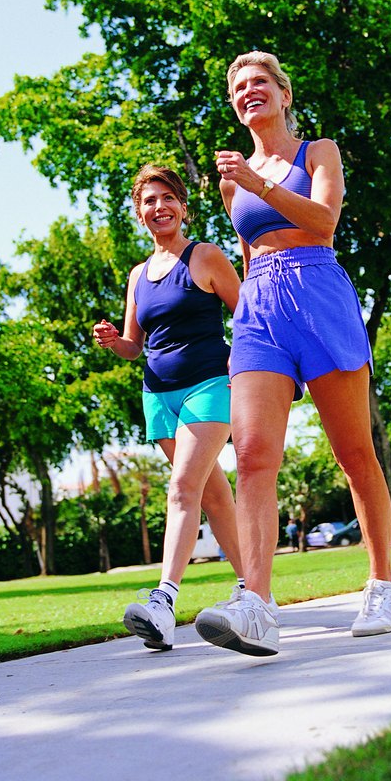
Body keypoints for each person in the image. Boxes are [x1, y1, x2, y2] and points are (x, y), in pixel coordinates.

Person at [194, 52, 391, 657]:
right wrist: (242, 316)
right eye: (238, 87)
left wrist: (260, 183)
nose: (248, 91)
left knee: (353, 451)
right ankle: (256, 604)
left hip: (318, 293)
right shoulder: (231, 180)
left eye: (260, 82)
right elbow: (251, 252)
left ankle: (382, 582)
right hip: (260, 310)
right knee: (255, 455)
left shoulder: (319, 152)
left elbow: (324, 222)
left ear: (284, 95)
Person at [93, 164, 246, 652]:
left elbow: (246, 314)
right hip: (157, 394)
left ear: (183, 205)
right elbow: (135, 346)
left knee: (182, 487)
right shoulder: (138, 275)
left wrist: (257, 374)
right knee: (212, 496)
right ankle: (252, 589)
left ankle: (163, 602)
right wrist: (114, 342)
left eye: (166, 199)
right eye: (148, 202)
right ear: (139, 214)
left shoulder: (205, 256)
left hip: (209, 385)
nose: (158, 208)